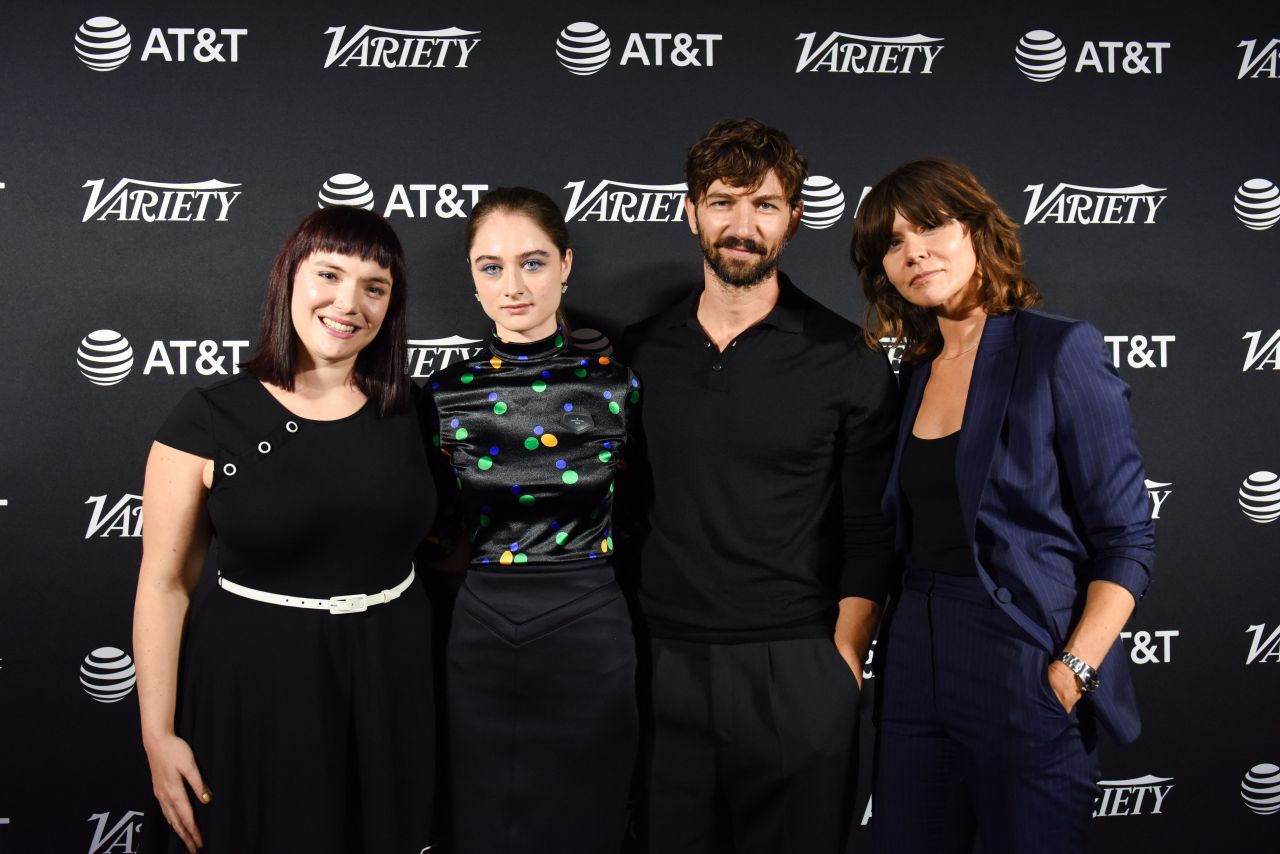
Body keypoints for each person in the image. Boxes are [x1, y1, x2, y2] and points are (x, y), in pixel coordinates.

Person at [851, 157, 1155, 854]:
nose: (913, 251)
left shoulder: (1057, 351)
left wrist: (1072, 669)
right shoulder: (914, 373)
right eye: (892, 244)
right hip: (913, 659)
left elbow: (1128, 539)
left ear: (976, 228)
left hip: (1022, 652)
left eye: (928, 226)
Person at [618, 118, 899, 854]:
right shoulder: (635, 353)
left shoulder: (848, 358)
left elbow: (872, 527)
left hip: (796, 663)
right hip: (660, 663)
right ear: (690, 211)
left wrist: (842, 657)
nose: (742, 226)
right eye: (723, 203)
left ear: (795, 218)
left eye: (765, 205)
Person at [133, 208, 437, 853]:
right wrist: (158, 736)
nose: (347, 302)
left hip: (391, 685)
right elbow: (164, 586)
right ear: (289, 280)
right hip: (252, 694)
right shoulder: (209, 417)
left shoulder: (418, 411)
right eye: (329, 274)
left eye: (374, 286)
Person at [427, 186, 640, 853]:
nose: (512, 285)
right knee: (487, 821)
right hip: (482, 630)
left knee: (591, 819)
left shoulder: (619, 386)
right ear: (472, 278)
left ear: (566, 264)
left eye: (533, 262)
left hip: (591, 624)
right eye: (491, 266)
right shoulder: (440, 393)